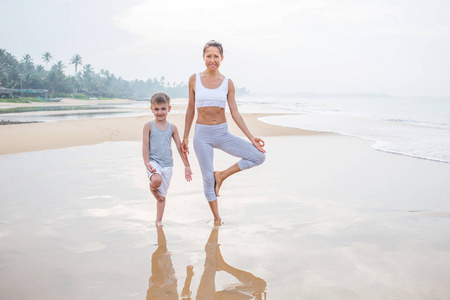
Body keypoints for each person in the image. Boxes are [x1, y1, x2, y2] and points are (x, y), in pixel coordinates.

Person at [181, 40, 266, 226]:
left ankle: (222, 175)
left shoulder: (227, 83)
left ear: (222, 58)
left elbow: (235, 111)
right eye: (209, 56)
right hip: (201, 136)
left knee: (258, 156)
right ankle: (217, 219)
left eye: (216, 56)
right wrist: (185, 136)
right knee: (206, 179)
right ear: (203, 58)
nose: (212, 60)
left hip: (222, 133)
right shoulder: (194, 79)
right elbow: (190, 110)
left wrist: (251, 137)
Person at [143, 92, 192, 227]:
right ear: (151, 109)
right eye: (157, 109)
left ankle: (158, 221)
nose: (160, 112)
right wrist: (146, 162)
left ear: (169, 109)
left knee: (162, 197)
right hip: (153, 162)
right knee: (156, 181)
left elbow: (179, 148)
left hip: (168, 165)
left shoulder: (173, 128)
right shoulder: (148, 126)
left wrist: (187, 166)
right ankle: (152, 189)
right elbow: (145, 146)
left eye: (163, 109)